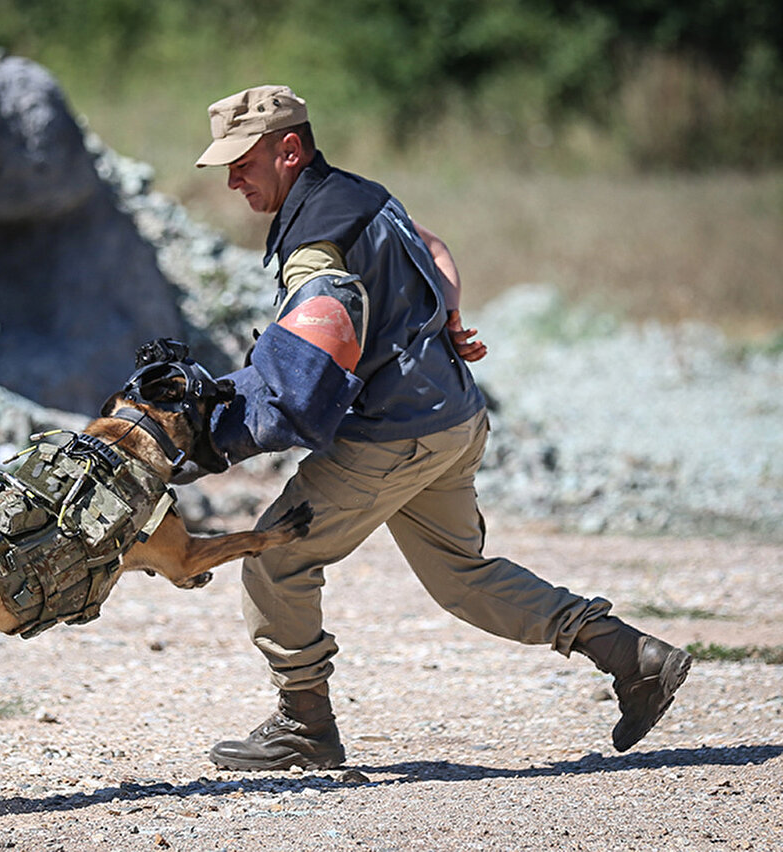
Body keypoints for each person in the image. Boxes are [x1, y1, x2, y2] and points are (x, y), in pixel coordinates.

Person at [190, 84, 691, 770]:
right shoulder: (364, 195)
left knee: (275, 557)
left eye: (241, 162)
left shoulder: (312, 241)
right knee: (462, 577)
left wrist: (218, 435)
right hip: (453, 417)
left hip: (392, 436)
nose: (231, 179)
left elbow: (302, 378)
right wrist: (447, 316)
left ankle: (305, 726)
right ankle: (633, 657)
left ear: (288, 149)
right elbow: (435, 247)